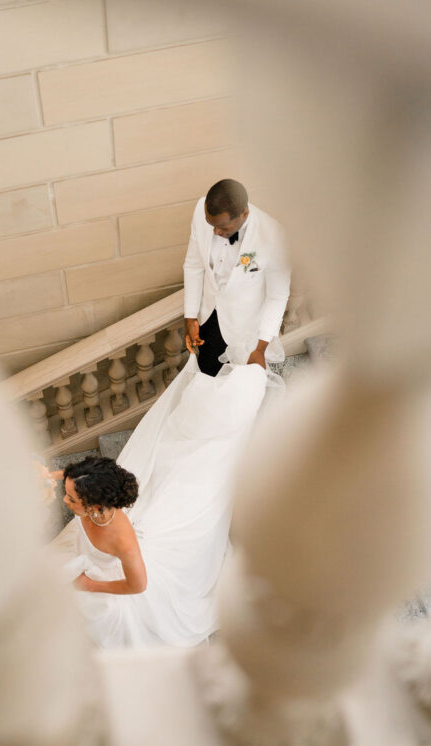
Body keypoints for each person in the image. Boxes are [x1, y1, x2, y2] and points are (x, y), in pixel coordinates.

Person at [53, 354, 271, 648]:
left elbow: (138, 585)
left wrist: (90, 585)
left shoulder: (121, 537)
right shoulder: (90, 496)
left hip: (123, 582)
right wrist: (46, 475)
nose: (66, 502)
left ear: (95, 506)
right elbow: (71, 476)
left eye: (71, 499)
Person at [183, 179, 291, 376]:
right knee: (208, 378)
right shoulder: (201, 208)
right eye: (211, 225)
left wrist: (260, 348)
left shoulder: (274, 235)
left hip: (246, 330)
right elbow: (193, 265)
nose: (215, 232)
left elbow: (277, 296)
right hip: (209, 317)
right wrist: (190, 316)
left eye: (223, 228)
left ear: (244, 214)